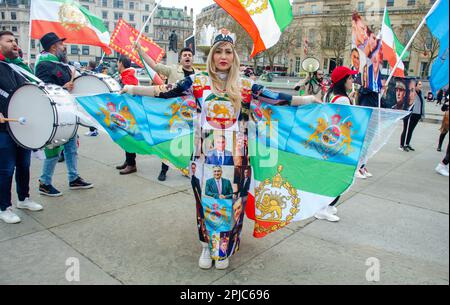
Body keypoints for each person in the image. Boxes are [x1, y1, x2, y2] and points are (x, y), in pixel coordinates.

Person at [121, 28, 320, 270]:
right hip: (204, 155)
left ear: (234, 56)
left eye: (228, 51)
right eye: (218, 52)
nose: (223, 56)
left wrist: (308, 100)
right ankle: (206, 245)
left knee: (232, 202)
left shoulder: (245, 85)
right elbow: (164, 92)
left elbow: (277, 98)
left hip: (237, 157)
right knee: (204, 200)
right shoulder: (197, 82)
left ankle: (223, 249)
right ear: (212, 55)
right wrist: (132, 90)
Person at [35, 32, 93, 196]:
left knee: (71, 148)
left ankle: (73, 178)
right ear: (54, 47)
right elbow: (42, 89)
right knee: (53, 150)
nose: (64, 47)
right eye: (61, 44)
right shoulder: (43, 65)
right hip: (55, 116)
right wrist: (63, 88)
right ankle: (44, 183)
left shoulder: (61, 64)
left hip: (68, 113)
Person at [136, 44, 198, 181]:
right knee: (170, 140)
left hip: (191, 114)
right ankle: (164, 170)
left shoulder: (198, 74)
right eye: (185, 55)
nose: (187, 57)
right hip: (174, 113)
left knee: (190, 142)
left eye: (189, 55)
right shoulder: (172, 70)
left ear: (192, 59)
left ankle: (187, 168)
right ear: (180, 59)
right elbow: (154, 66)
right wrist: (141, 50)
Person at [0, 31, 43, 224]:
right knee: (6, 169)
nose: (15, 44)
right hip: (3, 130)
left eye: (16, 41)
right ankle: (4, 207)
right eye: (9, 41)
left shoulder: (17, 68)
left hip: (21, 126)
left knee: (24, 166)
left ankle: (23, 198)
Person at [318, 66, 359, 223]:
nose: (352, 80)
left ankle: (325, 206)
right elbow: (348, 121)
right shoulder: (342, 99)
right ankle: (325, 208)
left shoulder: (330, 95)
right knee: (339, 176)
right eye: (350, 78)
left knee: (328, 175)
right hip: (338, 143)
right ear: (343, 81)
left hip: (329, 140)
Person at [114, 55, 140, 175]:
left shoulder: (128, 76)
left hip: (129, 113)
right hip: (126, 112)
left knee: (128, 138)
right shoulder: (127, 75)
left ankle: (131, 164)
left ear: (121, 63)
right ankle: (128, 161)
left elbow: (130, 95)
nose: (117, 65)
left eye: (117, 62)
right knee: (126, 137)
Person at [400, 79, 424, 152]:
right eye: (419, 84)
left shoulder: (421, 93)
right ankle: (402, 145)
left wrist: (422, 114)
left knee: (410, 130)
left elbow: (422, 104)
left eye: (421, 84)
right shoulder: (412, 92)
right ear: (415, 85)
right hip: (410, 113)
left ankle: (407, 144)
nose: (421, 86)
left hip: (417, 114)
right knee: (406, 129)